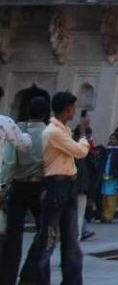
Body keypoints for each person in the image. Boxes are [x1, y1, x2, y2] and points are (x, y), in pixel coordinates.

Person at [23, 91, 89, 285]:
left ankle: (72, 281)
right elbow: (80, 152)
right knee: (49, 240)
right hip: (55, 188)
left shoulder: (63, 130)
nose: (74, 112)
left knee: (71, 241)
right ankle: (35, 279)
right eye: (73, 108)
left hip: (67, 185)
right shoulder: (53, 132)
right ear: (67, 108)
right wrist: (84, 133)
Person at [1, 93, 43, 285]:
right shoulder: (8, 124)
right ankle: (30, 273)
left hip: (16, 187)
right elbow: (23, 145)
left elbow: (11, 162)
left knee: (12, 236)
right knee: (46, 233)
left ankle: (7, 277)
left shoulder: (16, 125)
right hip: (36, 187)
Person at [98, 134, 118, 223]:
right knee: (104, 198)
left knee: (111, 197)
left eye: (114, 139)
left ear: (117, 141)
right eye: (111, 139)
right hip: (105, 175)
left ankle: (108, 217)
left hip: (113, 176)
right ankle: (103, 215)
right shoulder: (107, 150)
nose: (112, 140)